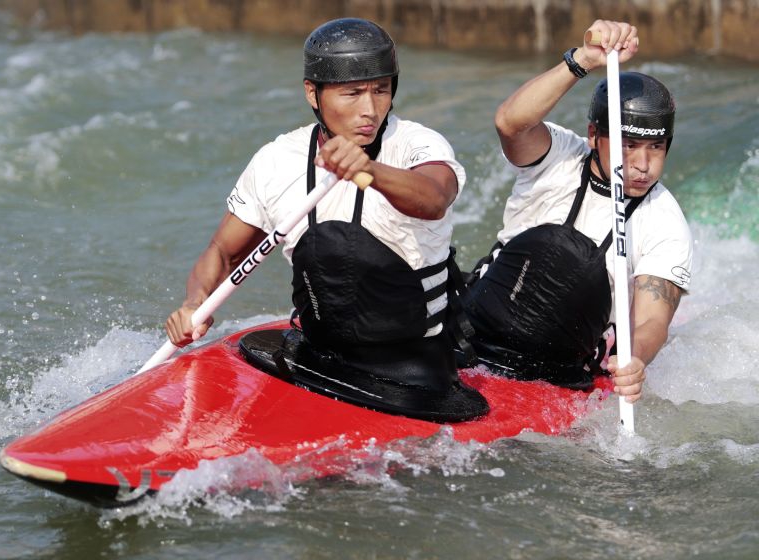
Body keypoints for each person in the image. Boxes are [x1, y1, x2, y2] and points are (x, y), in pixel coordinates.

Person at [165, 18, 487, 421]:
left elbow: (434, 198)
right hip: (316, 353)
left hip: (413, 369)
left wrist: (369, 171)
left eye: (381, 90)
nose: (369, 109)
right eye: (352, 93)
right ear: (312, 94)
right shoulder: (276, 160)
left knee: (336, 239)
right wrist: (196, 304)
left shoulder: (417, 144)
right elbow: (222, 252)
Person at [462, 20, 692, 402]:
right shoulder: (556, 156)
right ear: (592, 135)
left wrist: (636, 359)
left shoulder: (665, 220)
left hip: (565, 359)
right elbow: (510, 122)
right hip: (484, 323)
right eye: (628, 144)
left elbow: (652, 317)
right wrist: (583, 60)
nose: (642, 164)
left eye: (656, 148)